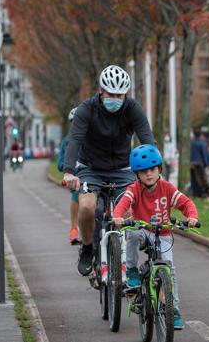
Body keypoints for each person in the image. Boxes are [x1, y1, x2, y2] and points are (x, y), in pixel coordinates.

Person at [62, 65, 155, 277]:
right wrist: (69, 171)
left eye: (120, 95)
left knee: (131, 211)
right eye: (111, 94)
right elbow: (74, 140)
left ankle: (129, 260)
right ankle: (87, 248)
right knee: (87, 207)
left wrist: (154, 169)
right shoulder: (87, 109)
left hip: (123, 169)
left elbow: (147, 139)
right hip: (90, 168)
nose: (116, 98)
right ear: (101, 91)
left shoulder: (132, 109)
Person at [112, 144, 198, 330]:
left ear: (159, 169)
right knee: (132, 233)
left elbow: (185, 203)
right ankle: (132, 270)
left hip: (163, 233)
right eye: (143, 171)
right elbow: (124, 202)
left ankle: (172, 309)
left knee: (169, 271)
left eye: (152, 169)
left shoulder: (167, 188)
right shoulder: (134, 189)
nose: (148, 174)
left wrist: (192, 217)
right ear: (136, 174)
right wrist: (118, 216)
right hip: (142, 229)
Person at [57, 107, 80, 245]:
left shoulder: (93, 140)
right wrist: (67, 166)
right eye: (74, 123)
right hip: (75, 177)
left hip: (92, 174)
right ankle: (73, 229)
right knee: (76, 195)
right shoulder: (67, 142)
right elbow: (60, 164)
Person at [189, 130, 209, 197]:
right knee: (201, 178)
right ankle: (200, 193)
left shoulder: (192, 143)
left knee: (194, 179)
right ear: (201, 135)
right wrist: (208, 164)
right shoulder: (202, 143)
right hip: (200, 165)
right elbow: (205, 154)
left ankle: (195, 193)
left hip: (192, 165)